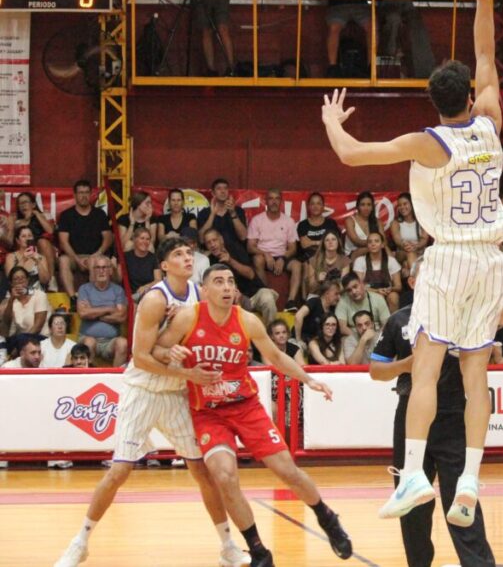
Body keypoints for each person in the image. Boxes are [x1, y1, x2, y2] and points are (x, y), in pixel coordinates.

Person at [321, 0, 503, 526]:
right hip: (493, 260)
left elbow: (352, 155)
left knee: (425, 374)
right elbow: (486, 55)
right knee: (477, 377)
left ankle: (414, 478)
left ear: (433, 101)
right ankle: (470, 481)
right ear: (470, 97)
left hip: (448, 257)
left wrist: (333, 120)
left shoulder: (427, 142)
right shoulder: (492, 125)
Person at [54, 238, 248, 567]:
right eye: (178, 254)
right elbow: (141, 358)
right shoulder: (155, 299)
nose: (187, 258)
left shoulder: (200, 297)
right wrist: (186, 368)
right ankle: (80, 542)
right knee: (119, 471)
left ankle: (228, 546)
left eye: (189, 253)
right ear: (164, 266)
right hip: (143, 390)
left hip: (175, 393)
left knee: (202, 471)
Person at [157, 264, 352, 566]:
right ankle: (259, 550)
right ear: (204, 290)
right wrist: (180, 365)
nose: (226, 287)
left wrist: (309, 379)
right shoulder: (188, 317)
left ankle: (327, 517)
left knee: (286, 470)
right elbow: (156, 350)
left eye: (231, 282)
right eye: (218, 282)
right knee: (224, 476)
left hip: (245, 407)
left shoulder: (247, 321)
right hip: (208, 413)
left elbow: (275, 356)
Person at [370, 301, 497, 567]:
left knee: (461, 498)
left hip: (454, 414)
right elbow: (376, 371)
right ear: (415, 280)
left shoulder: (461, 314)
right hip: (411, 415)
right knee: (412, 502)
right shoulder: (399, 320)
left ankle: (478, 563)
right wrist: (406, 365)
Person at [203, 229, 278, 326]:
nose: (212, 245)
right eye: (208, 243)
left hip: (254, 294)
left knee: (267, 297)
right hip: (233, 299)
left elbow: (250, 274)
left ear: (221, 240)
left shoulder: (235, 248)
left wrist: (230, 260)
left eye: (214, 240)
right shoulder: (208, 260)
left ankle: (271, 335)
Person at [247, 188, 304, 311]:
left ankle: (291, 301)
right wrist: (265, 254)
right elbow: (250, 246)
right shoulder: (257, 220)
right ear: (266, 201)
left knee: (297, 265)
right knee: (257, 260)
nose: (274, 202)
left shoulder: (288, 221)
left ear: (281, 202)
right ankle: (267, 295)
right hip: (262, 255)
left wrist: (283, 258)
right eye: (271, 198)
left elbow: (293, 248)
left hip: (281, 255)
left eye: (277, 198)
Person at [57, 180, 113, 303]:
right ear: (75, 195)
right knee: (63, 260)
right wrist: (76, 259)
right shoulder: (66, 215)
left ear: (91, 194)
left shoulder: (99, 214)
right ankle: (72, 298)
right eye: (80, 193)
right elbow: (63, 241)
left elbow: (108, 237)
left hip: (95, 255)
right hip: (74, 256)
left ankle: (95, 298)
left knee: (94, 261)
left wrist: (97, 253)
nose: (84, 196)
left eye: (86, 192)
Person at [352, 231, 402, 311]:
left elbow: (398, 286)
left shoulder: (391, 261)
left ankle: (393, 322)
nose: (373, 244)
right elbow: (358, 286)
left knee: (394, 297)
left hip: (387, 291)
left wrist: (389, 289)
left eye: (376, 241)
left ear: (382, 245)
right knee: (379, 297)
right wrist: (377, 291)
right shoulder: (360, 261)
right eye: (370, 242)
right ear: (367, 245)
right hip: (368, 292)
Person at [11, 191, 56, 280]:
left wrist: (37, 214)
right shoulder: (17, 222)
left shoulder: (43, 215)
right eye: (20, 203)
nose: (23, 205)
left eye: (25, 202)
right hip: (24, 249)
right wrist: (25, 221)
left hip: (43, 250)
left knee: (42, 242)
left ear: (33, 204)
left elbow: (50, 231)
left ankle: (51, 279)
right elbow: (13, 241)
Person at [197, 178, 248, 250]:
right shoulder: (204, 213)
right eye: (219, 189)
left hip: (235, 252)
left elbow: (243, 237)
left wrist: (233, 213)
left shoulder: (238, 211)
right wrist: (212, 214)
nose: (223, 191)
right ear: (213, 193)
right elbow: (201, 239)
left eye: (225, 188)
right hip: (213, 253)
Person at [3, 266, 50, 337]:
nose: (20, 280)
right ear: (11, 283)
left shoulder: (39, 295)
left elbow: (38, 326)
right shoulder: (11, 301)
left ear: (28, 280)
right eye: (16, 279)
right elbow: (6, 323)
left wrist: (25, 341)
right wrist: (11, 299)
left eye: (22, 278)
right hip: (22, 340)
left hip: (40, 337)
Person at [390, 192, 430, 273]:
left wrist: (416, 246)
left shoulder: (422, 221)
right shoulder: (395, 222)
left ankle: (408, 270)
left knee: (407, 265)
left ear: (412, 204)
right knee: (411, 253)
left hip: (419, 252)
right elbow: (397, 240)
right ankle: (415, 280)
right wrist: (405, 245)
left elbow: (424, 239)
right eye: (400, 205)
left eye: (405, 204)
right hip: (402, 252)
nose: (402, 207)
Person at [293, 280, 341, 345]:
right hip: (301, 338)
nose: (339, 297)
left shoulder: (332, 309)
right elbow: (298, 315)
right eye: (336, 294)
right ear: (327, 293)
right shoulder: (314, 301)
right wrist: (298, 340)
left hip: (316, 342)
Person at [6, 224, 51, 293]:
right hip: (18, 294)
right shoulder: (11, 257)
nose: (27, 238)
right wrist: (23, 259)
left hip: (37, 295)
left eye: (29, 236)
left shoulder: (41, 258)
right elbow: (11, 279)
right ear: (18, 240)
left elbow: (45, 281)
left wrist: (38, 261)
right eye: (23, 236)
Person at [297, 192, 342, 261]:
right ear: (308, 207)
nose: (315, 206)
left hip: (328, 256)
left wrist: (312, 242)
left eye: (318, 203)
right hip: (308, 258)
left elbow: (336, 243)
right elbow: (304, 244)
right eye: (312, 204)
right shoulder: (303, 224)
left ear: (323, 206)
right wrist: (325, 242)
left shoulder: (330, 223)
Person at [122, 228, 161, 301]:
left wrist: (146, 287)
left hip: (147, 294)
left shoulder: (154, 258)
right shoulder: (125, 257)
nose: (145, 241)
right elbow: (118, 279)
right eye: (142, 238)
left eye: (148, 239)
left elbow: (158, 279)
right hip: (128, 296)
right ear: (135, 239)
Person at [343, 191, 382, 259]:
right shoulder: (350, 220)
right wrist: (374, 244)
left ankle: (394, 268)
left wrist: (379, 245)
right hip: (353, 254)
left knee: (385, 249)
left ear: (372, 207)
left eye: (369, 205)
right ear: (358, 206)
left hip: (374, 251)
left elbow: (383, 240)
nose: (366, 208)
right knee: (370, 249)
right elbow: (356, 241)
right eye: (363, 205)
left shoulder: (377, 221)